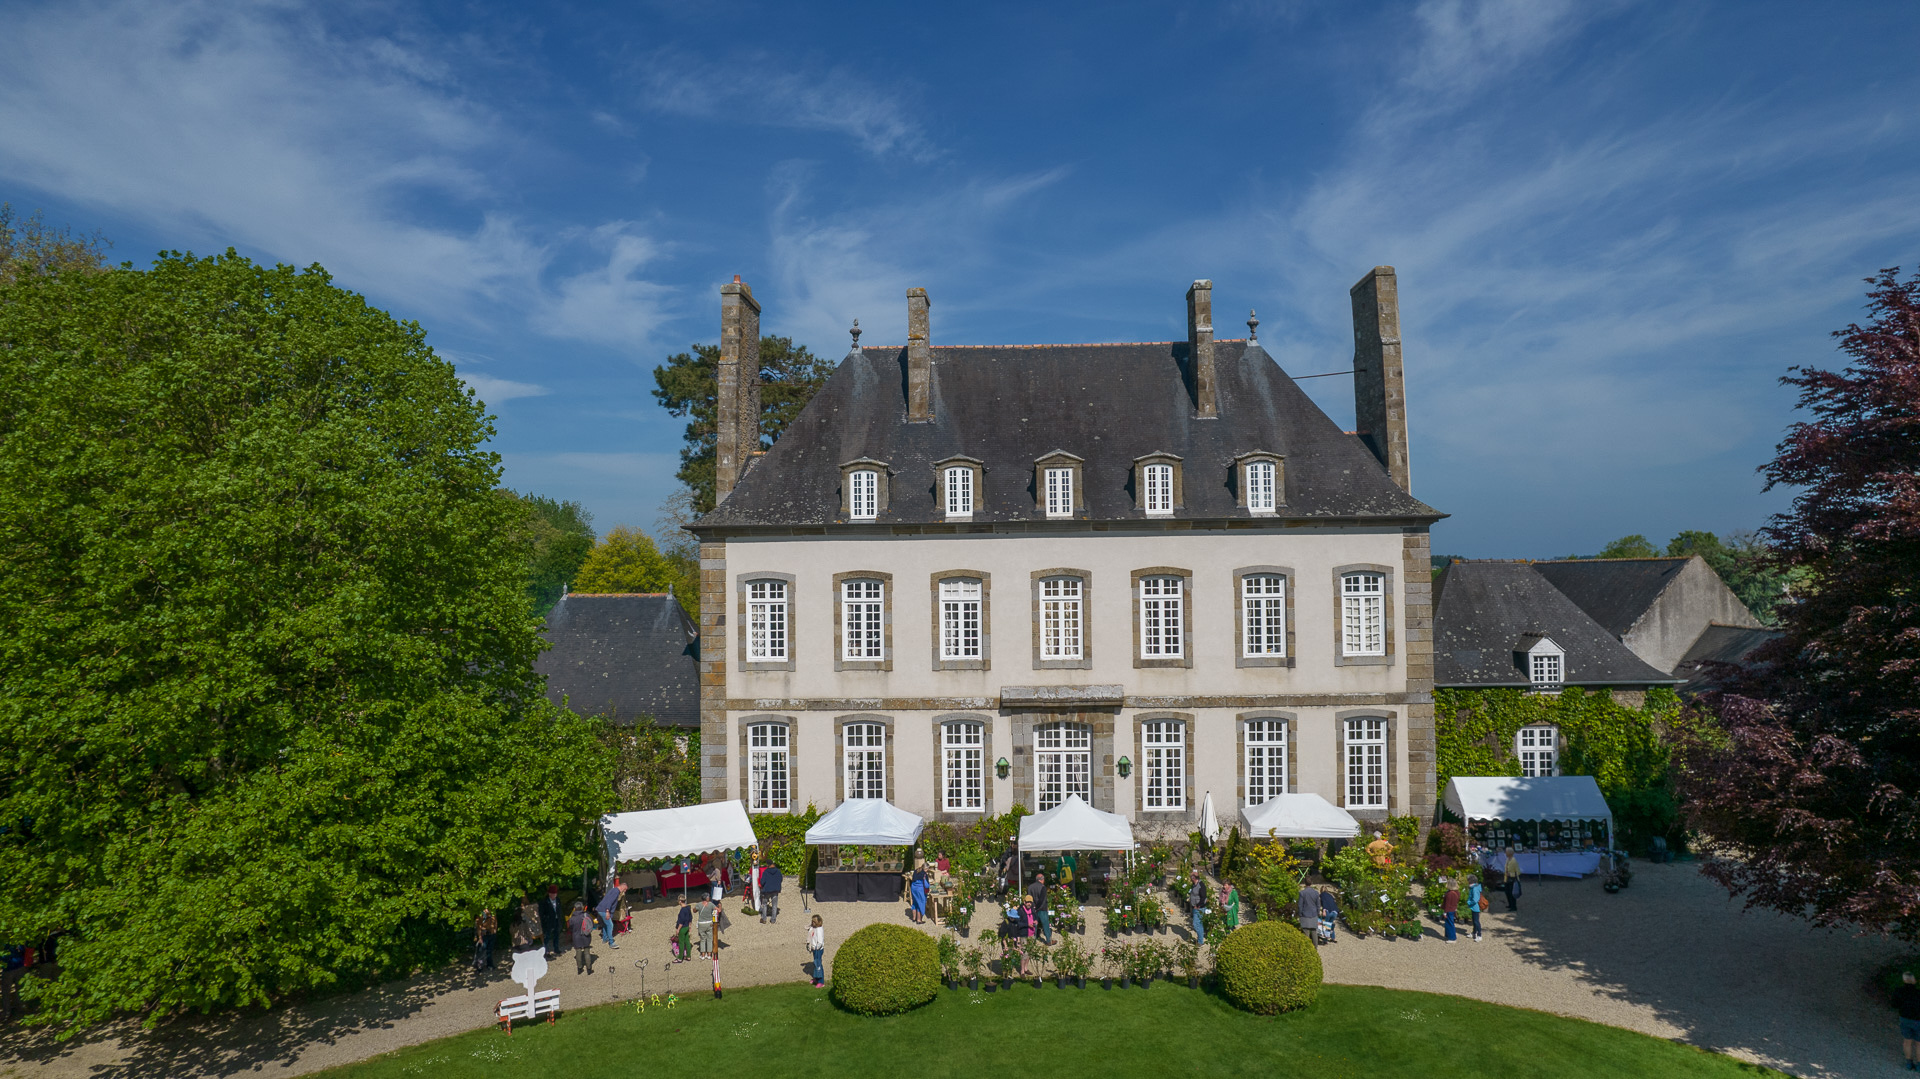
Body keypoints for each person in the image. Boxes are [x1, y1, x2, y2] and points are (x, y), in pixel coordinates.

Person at [1894, 970, 1920, 1070]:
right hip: (1918, 1020)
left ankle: (1909, 1062)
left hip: (1905, 1019)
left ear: (1904, 980)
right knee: (1919, 1043)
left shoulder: (1899, 991)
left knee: (1907, 1041)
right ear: (1913, 980)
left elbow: (1894, 1005)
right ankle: (1919, 1065)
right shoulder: (1918, 993)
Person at [567, 900, 597, 975]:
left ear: (574, 908)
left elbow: (570, 928)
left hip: (576, 936)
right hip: (586, 935)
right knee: (587, 952)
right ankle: (589, 969)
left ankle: (579, 968)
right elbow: (592, 924)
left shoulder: (572, 918)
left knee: (578, 952)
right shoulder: (586, 915)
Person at [596, 878, 626, 950]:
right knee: (610, 925)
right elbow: (609, 901)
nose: (625, 891)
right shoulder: (616, 892)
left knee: (605, 924)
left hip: (600, 909)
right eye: (625, 889)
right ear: (622, 887)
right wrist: (607, 911)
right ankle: (611, 942)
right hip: (604, 910)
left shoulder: (613, 890)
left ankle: (605, 938)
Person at [538, 885, 563, 960]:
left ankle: (556, 948)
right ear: (549, 894)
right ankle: (546, 951)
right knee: (547, 936)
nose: (554, 895)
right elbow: (542, 913)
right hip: (548, 922)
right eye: (553, 894)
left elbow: (560, 910)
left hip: (556, 920)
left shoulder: (557, 900)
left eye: (555, 894)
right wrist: (545, 920)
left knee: (556, 935)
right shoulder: (544, 902)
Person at [472, 907, 497, 971]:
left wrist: (495, 930)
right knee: (482, 951)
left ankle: (490, 965)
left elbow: (495, 921)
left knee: (489, 951)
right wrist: (480, 937)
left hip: (491, 934)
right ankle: (479, 966)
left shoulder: (493, 913)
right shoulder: (481, 915)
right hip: (484, 935)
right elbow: (478, 927)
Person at [1027, 871, 1050, 942]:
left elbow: (1029, 899)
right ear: (1041, 879)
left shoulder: (1030, 887)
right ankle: (1049, 940)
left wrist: (1033, 907)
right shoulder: (1043, 887)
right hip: (1042, 909)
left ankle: (1033, 940)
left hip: (1032, 908)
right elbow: (1042, 899)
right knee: (1045, 925)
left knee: (1034, 924)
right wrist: (1038, 907)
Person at [1191, 873, 1212, 942]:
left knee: (1196, 924)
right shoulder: (1194, 885)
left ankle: (1200, 940)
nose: (1191, 879)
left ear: (1195, 878)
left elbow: (1203, 897)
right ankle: (1200, 940)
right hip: (1195, 907)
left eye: (1191, 877)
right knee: (1199, 924)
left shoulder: (1201, 885)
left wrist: (1198, 905)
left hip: (1199, 908)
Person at [808, 915, 826, 987]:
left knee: (818, 965)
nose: (813, 923)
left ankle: (821, 981)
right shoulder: (814, 928)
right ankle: (816, 978)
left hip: (818, 949)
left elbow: (820, 942)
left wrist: (816, 947)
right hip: (814, 949)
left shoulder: (819, 930)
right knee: (816, 964)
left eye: (814, 922)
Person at [696, 894, 716, 959]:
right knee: (709, 939)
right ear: (707, 898)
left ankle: (703, 955)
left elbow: (694, 910)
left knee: (702, 939)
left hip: (701, 923)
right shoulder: (711, 904)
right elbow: (718, 910)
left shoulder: (699, 904)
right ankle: (709, 954)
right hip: (709, 923)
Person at [674, 895, 693, 962]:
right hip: (687, 926)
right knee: (687, 941)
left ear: (680, 901)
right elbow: (690, 918)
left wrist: (678, 929)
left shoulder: (682, 910)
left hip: (682, 928)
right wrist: (690, 926)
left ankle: (680, 957)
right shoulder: (688, 908)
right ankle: (688, 956)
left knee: (681, 943)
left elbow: (681, 921)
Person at [1503, 848, 1522, 912]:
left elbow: (1518, 872)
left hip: (1512, 880)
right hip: (1507, 879)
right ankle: (1510, 904)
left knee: (1512, 893)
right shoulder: (1507, 859)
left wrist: (1510, 874)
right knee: (1507, 892)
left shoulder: (1514, 861)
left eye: (1506, 852)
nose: (1505, 853)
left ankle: (1514, 906)